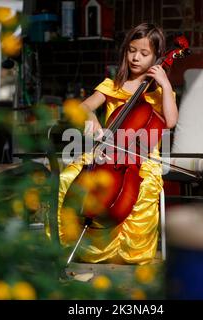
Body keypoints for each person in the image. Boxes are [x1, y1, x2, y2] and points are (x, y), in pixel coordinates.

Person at [56, 23, 178, 265]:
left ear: (156, 57)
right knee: (68, 177)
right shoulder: (112, 86)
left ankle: (126, 252)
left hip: (141, 158)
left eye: (144, 54)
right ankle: (78, 245)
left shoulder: (158, 93)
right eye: (132, 50)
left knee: (141, 190)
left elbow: (171, 122)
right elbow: (83, 108)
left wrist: (165, 84)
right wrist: (92, 120)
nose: (136, 57)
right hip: (108, 153)